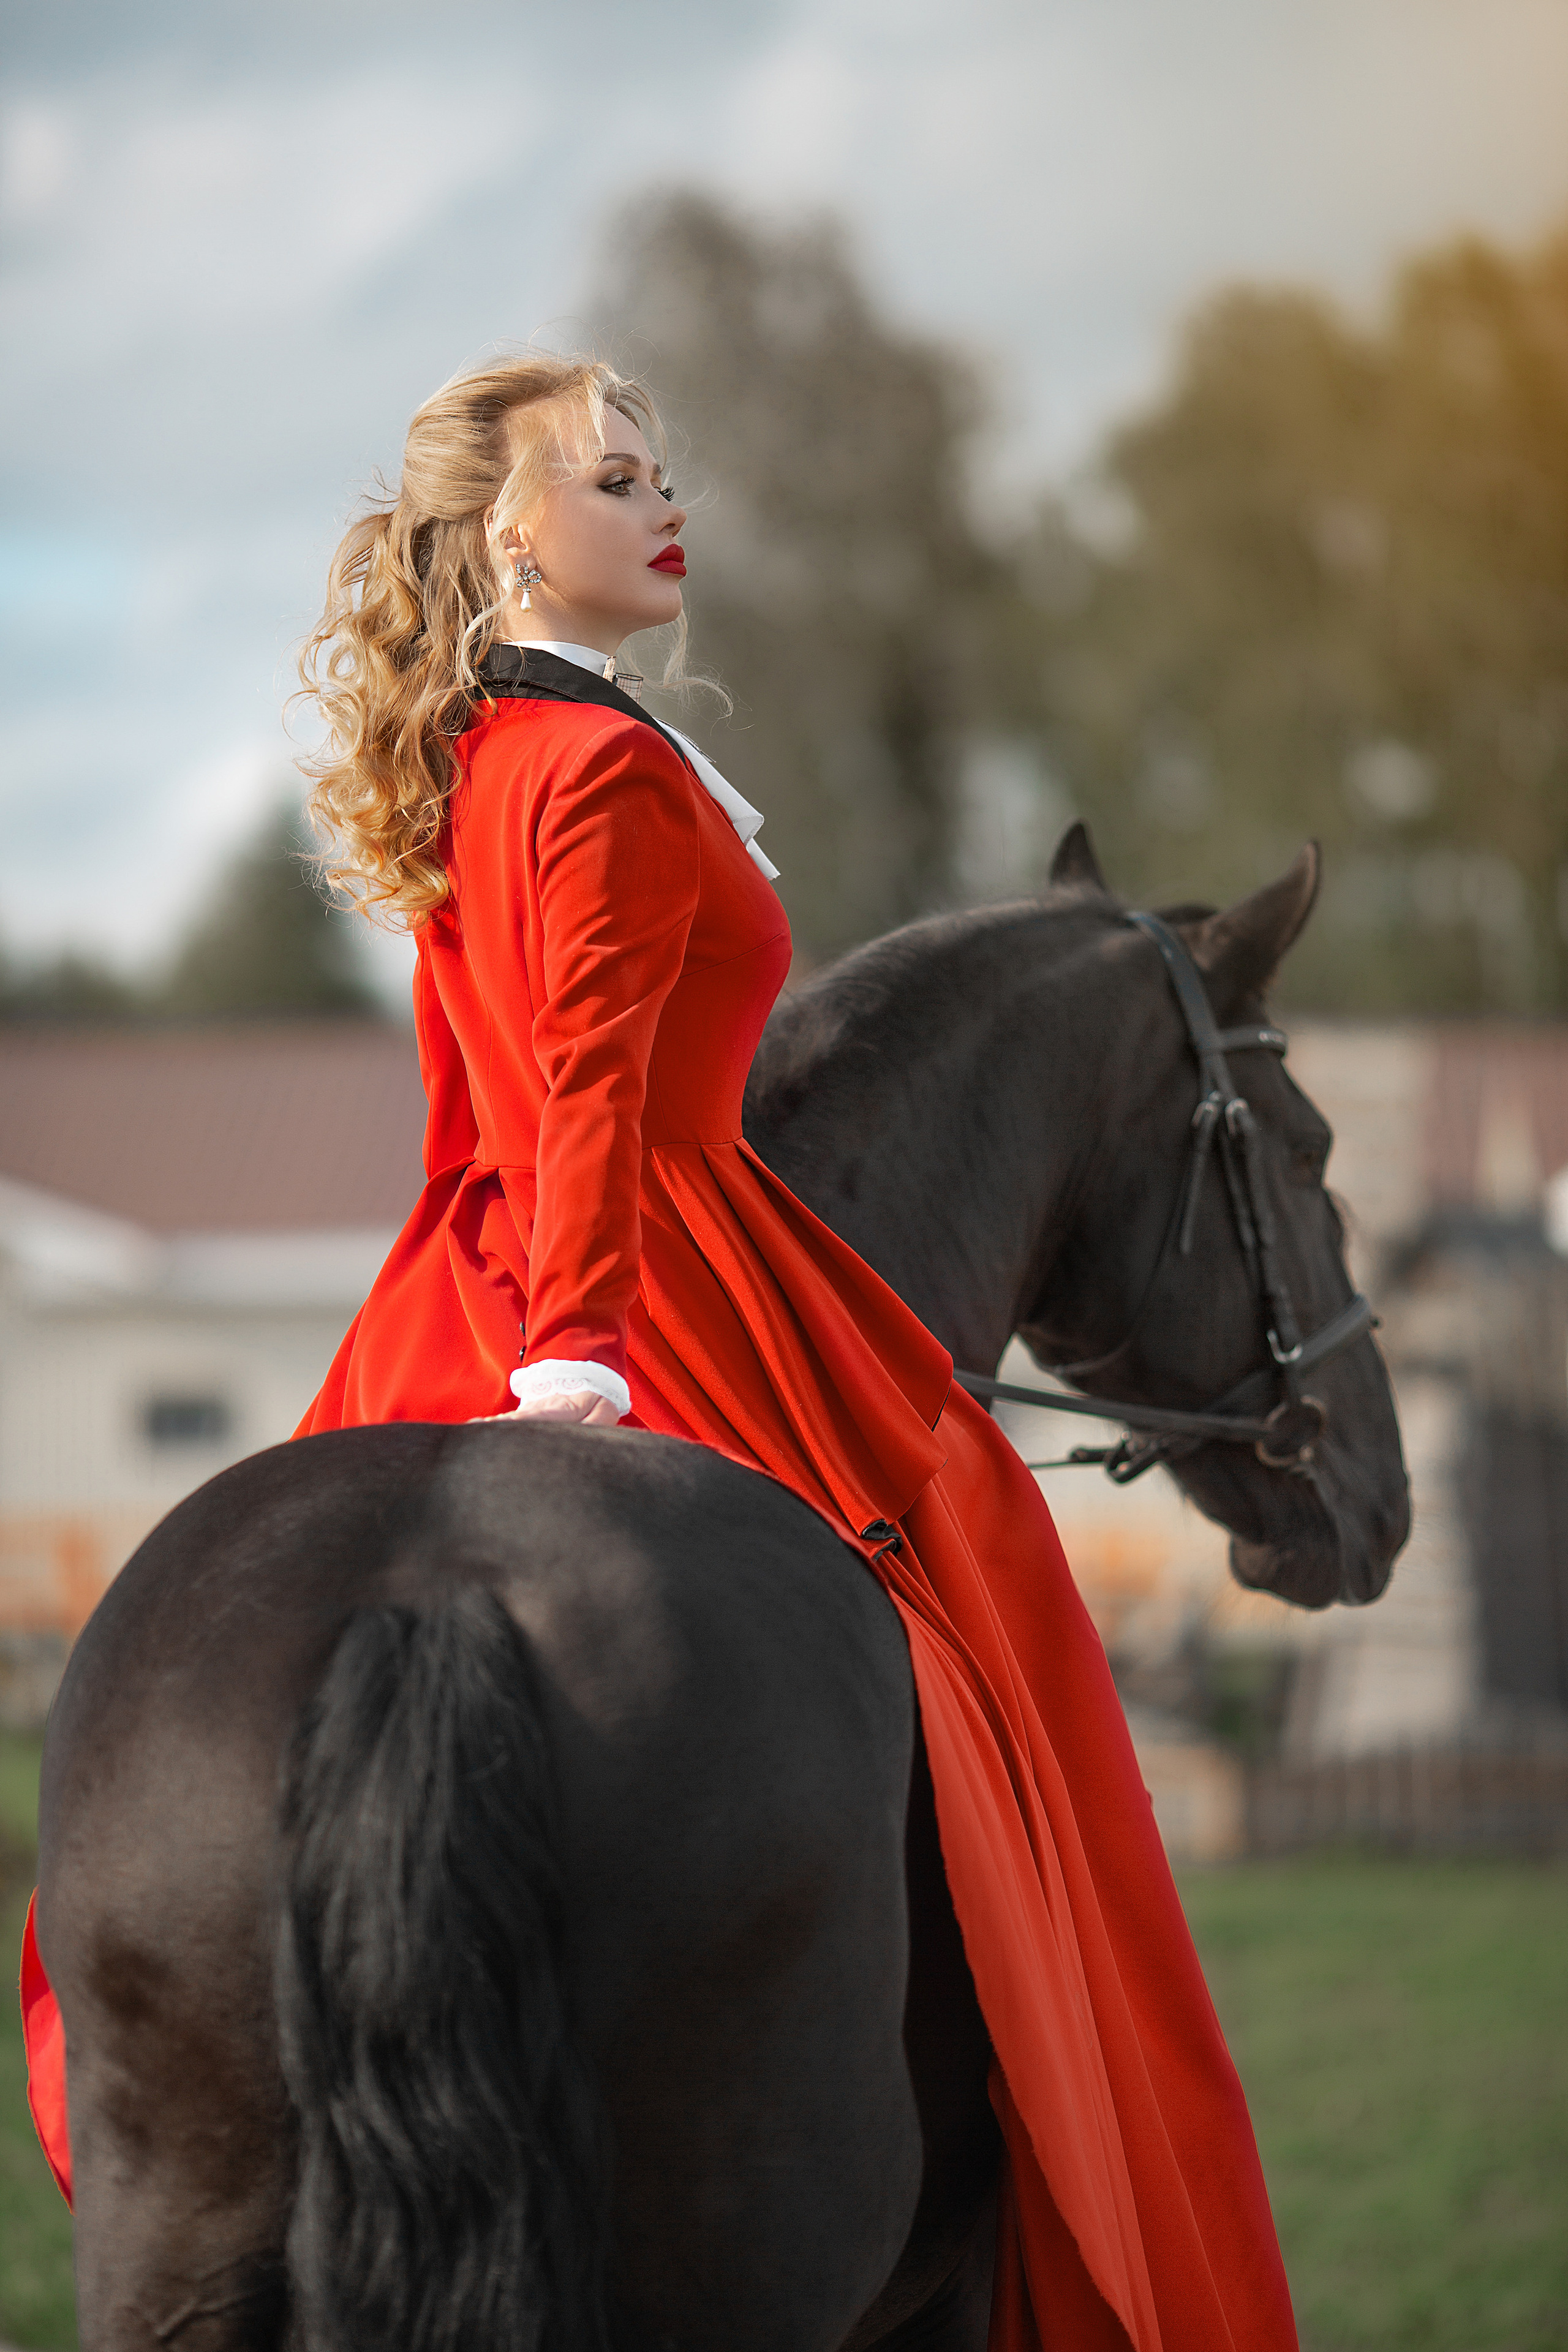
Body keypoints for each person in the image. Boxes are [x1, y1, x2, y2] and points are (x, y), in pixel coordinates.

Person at [24, 353, 1295, 2348]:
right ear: (516, 528)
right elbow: (598, 1081)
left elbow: (473, 1107)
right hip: (648, 1267)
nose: (660, 505)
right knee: (988, 1620)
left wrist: (492, 1285)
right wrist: (585, 1347)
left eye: (662, 474)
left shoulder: (484, 748)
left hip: (480, 1250)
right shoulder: (608, 768)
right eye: (614, 479)